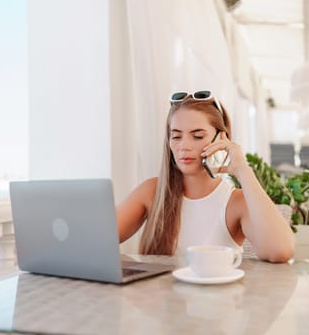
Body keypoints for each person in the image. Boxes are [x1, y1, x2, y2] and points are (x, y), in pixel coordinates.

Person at [116, 91, 295, 263]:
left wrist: (242, 169)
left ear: (221, 139)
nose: (184, 146)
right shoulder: (152, 191)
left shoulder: (235, 202)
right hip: (161, 294)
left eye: (198, 136)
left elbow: (280, 251)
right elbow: (100, 238)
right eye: (176, 136)